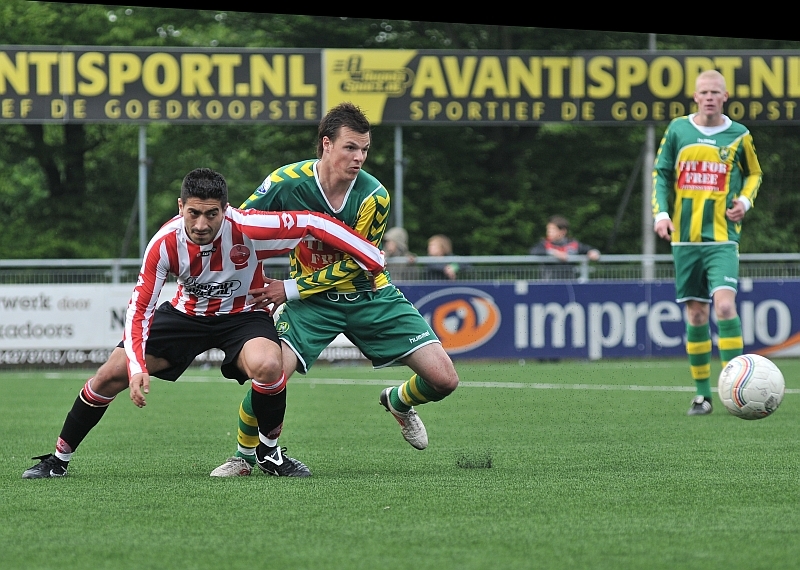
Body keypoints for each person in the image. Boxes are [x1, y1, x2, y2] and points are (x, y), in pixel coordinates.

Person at [22, 167, 385, 479]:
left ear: (226, 210)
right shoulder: (164, 243)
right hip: (186, 316)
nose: (201, 224)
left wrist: (370, 254)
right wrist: (135, 367)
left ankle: (269, 453)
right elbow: (140, 309)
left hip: (242, 315)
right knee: (109, 375)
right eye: (193, 213)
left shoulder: (249, 227)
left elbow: (312, 222)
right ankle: (58, 459)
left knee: (270, 365)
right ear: (180, 207)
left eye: (211, 214)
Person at [210, 102, 460, 477]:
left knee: (444, 380)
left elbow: (360, 263)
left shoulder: (374, 196)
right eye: (350, 148)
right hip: (313, 304)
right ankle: (243, 457)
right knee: (271, 374)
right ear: (326, 144)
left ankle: (397, 401)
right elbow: (239, 226)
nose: (359, 157)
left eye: (365, 149)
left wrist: (289, 289)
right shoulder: (285, 183)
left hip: (369, 295)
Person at [652, 69, 762, 416]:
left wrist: (744, 202)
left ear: (725, 96)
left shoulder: (738, 135)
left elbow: (755, 173)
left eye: (716, 91)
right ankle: (702, 396)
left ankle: (735, 391)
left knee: (725, 306)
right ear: (696, 97)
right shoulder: (678, 130)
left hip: (722, 239)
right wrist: (661, 214)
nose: (710, 97)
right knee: (697, 313)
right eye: (705, 92)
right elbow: (661, 173)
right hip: (685, 240)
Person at [529, 215, 600, 280]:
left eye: (553, 229)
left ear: (563, 231)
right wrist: (554, 252)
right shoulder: (544, 244)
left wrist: (594, 252)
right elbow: (533, 251)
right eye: (548, 229)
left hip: (569, 283)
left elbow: (588, 249)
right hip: (549, 284)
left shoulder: (573, 244)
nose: (549, 232)